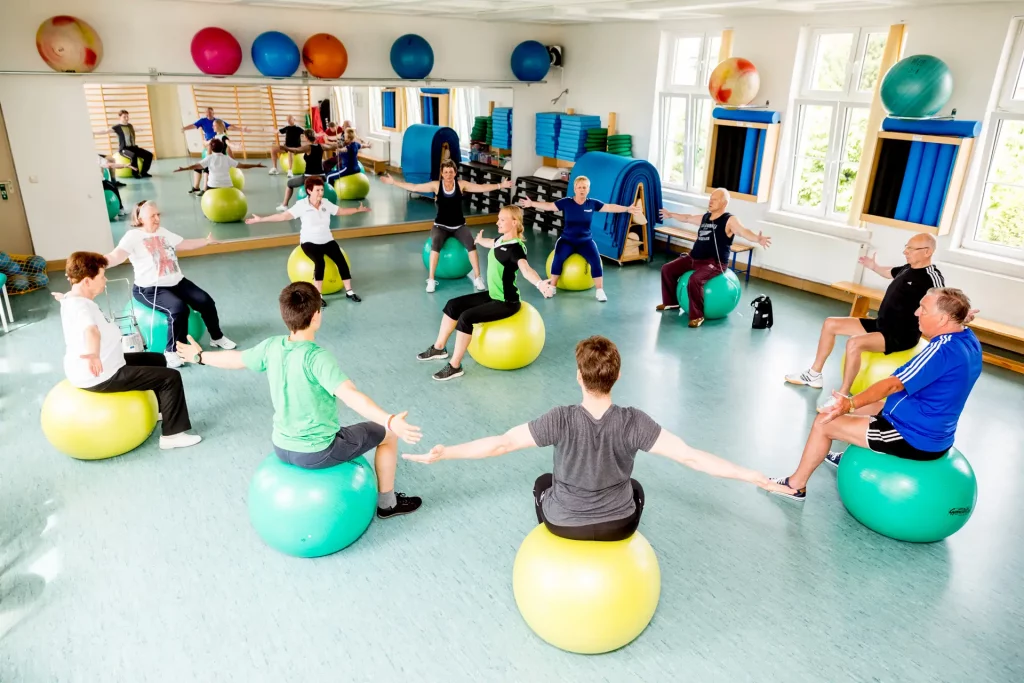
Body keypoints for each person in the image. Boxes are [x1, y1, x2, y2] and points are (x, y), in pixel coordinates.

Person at [406, 335, 785, 540]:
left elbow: (501, 443)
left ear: (578, 376)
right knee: (635, 487)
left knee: (542, 482)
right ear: (617, 377)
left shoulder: (561, 419)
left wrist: (446, 453)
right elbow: (691, 457)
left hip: (563, 523)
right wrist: (752, 475)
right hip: (621, 524)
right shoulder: (635, 422)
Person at [175, 281, 422, 518]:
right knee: (388, 436)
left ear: (285, 315)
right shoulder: (317, 358)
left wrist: (200, 357)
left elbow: (236, 359)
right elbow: (352, 397)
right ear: (316, 315)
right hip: (317, 451)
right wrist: (389, 421)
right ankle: (388, 505)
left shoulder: (271, 346)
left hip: (282, 446)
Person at [769, 288, 982, 501]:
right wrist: (963, 316)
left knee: (824, 422)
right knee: (849, 407)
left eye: (923, 309)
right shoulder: (968, 339)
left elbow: (892, 385)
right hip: (923, 419)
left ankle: (795, 486)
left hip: (912, 435)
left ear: (943, 319)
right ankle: (850, 456)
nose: (916, 313)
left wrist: (850, 404)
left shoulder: (940, 350)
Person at [58, 251, 201, 450]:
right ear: (87, 282)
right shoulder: (81, 307)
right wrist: (93, 354)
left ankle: (162, 411)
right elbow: (91, 331)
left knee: (157, 359)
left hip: (106, 362)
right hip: (102, 374)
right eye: (101, 276)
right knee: (171, 377)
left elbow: (71, 301)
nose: (105, 280)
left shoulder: (71, 298)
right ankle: (172, 436)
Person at [785, 232, 946, 402]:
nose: (905, 252)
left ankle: (842, 396)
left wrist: (962, 317)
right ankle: (814, 374)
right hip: (881, 324)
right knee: (830, 323)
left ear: (927, 252)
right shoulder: (908, 268)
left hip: (901, 335)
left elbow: (945, 301)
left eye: (911, 249)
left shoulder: (931, 277)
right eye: (906, 247)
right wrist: (874, 266)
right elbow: (889, 272)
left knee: (854, 343)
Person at [416, 205, 555, 381]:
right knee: (453, 305)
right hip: (493, 295)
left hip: (507, 302)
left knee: (466, 318)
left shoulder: (516, 248)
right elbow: (492, 243)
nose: (497, 222)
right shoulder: (501, 240)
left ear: (514, 222)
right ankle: (439, 347)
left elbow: (526, 269)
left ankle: (455, 366)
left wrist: (540, 283)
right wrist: (481, 241)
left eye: (502, 219)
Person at [105, 201, 236, 368]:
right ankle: (172, 351)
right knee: (178, 309)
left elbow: (183, 244)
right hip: (149, 288)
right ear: (140, 217)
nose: (157, 218)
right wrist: (96, 264)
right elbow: (116, 256)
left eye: (158, 215)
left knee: (205, 301)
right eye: (152, 215)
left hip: (177, 282)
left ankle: (216, 337)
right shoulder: (133, 236)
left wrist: (206, 241)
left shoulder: (163, 232)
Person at [381, 159, 512, 292]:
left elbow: (481, 188)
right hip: (440, 226)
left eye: (451, 171)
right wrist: (394, 182)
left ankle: (478, 278)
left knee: (471, 244)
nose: (448, 174)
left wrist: (501, 185)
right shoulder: (436, 186)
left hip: (459, 226)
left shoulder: (461, 185)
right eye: (445, 172)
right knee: (436, 243)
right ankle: (431, 280)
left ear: (455, 173)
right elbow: (414, 187)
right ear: (442, 174)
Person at [518, 176, 644, 303]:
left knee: (595, 260)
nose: (582, 190)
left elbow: (609, 207)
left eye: (585, 187)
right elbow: (550, 206)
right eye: (579, 187)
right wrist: (532, 204)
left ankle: (600, 290)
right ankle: (552, 287)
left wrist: (627, 209)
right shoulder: (567, 202)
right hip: (567, 240)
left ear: (588, 189)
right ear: (575, 189)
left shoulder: (592, 203)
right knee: (558, 258)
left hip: (585, 241)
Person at [246, 176, 370, 305]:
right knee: (320, 263)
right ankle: (318, 296)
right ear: (309, 191)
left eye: (322, 190)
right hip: (309, 242)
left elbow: (341, 211)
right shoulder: (302, 205)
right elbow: (283, 216)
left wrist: (357, 210)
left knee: (341, 261)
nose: (321, 193)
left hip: (327, 239)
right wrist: (261, 220)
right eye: (317, 190)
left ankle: (349, 291)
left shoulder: (326, 203)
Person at [657, 188, 771, 327]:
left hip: (714, 263)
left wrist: (757, 238)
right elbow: (688, 218)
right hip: (694, 258)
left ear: (724, 203)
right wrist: (671, 215)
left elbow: (742, 231)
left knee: (695, 280)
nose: (710, 201)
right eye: (710, 198)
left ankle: (697, 316)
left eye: (714, 199)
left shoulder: (729, 219)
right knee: (667, 269)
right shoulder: (706, 217)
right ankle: (672, 303)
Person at [275, 129, 339, 211]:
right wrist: (341, 144)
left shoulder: (308, 147)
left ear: (306, 137)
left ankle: (284, 205)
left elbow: (296, 150)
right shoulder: (321, 146)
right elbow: (332, 146)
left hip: (309, 177)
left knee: (289, 183)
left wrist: (285, 147)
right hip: (322, 177)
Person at [174, 138, 263, 195]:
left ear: (211, 149)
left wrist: (184, 168)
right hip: (228, 186)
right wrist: (256, 165)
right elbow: (243, 166)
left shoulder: (209, 158)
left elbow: (195, 166)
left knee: (205, 198)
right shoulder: (227, 158)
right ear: (223, 148)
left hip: (213, 186)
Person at [105, 110, 153, 178]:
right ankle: (135, 174)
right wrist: (94, 133)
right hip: (124, 149)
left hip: (133, 148)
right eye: (124, 117)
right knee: (133, 155)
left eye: (127, 116)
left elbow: (134, 129)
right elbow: (106, 131)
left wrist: (140, 129)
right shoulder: (117, 127)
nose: (127, 118)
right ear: (120, 117)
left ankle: (144, 173)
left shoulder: (130, 125)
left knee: (149, 155)